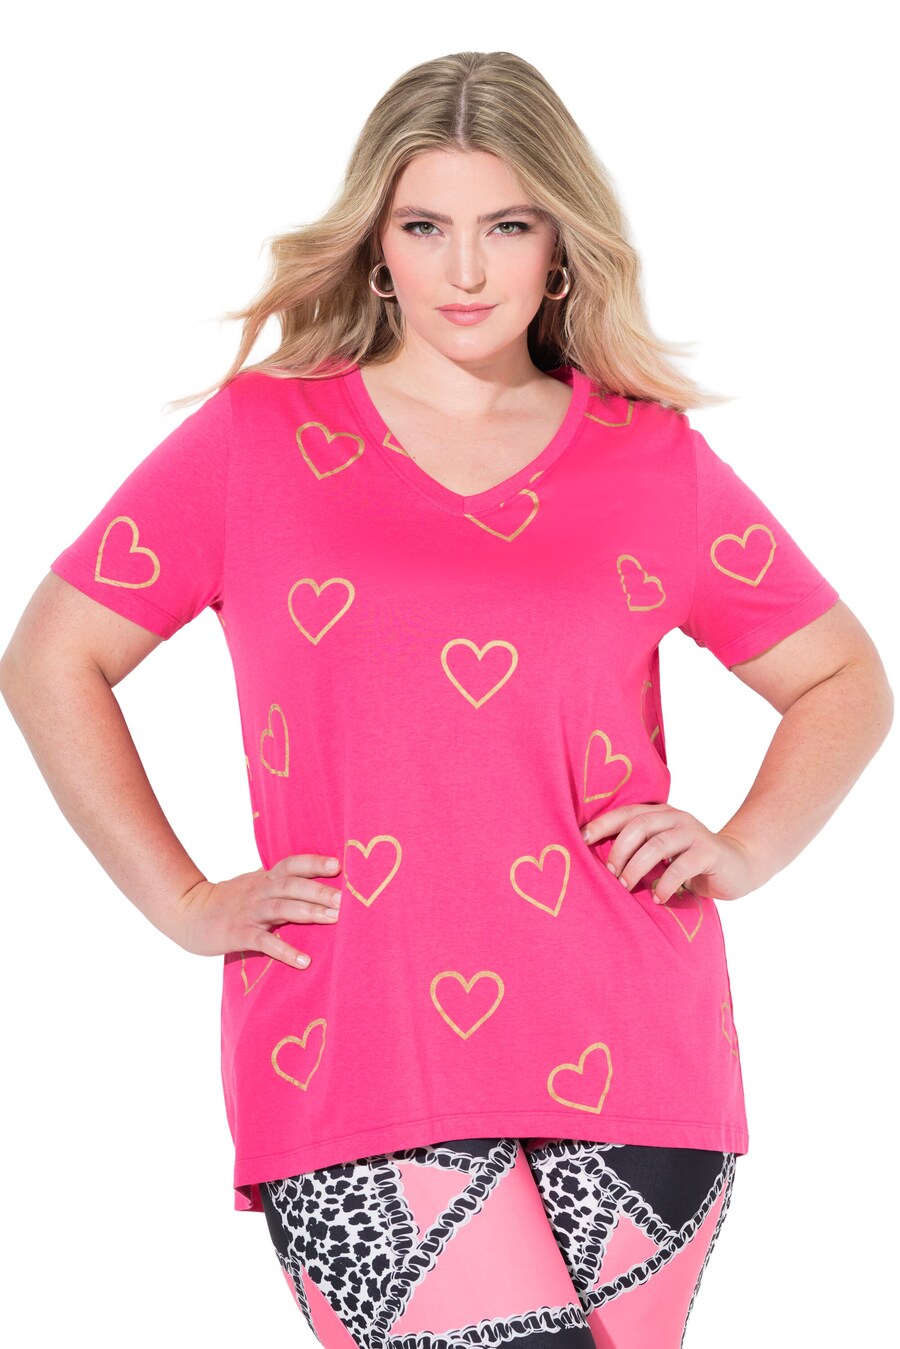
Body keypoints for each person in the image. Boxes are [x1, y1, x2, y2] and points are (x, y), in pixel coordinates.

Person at [0, 49, 892, 1349]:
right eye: (425, 226)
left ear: (562, 247)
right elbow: (51, 659)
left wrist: (747, 844)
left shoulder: (650, 458)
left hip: (635, 1045)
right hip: (354, 1043)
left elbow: (842, 675)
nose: (465, 270)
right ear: (377, 247)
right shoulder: (256, 441)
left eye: (508, 226)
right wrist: (182, 899)